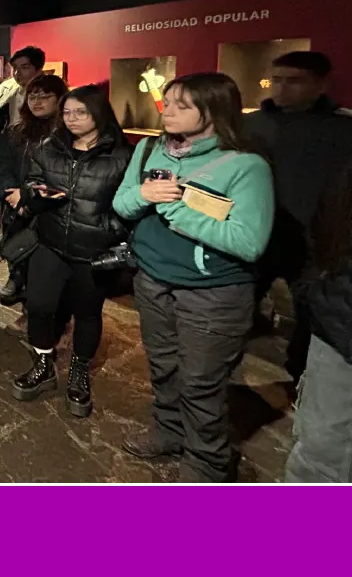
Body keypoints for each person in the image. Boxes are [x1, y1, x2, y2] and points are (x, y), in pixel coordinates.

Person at [114, 72, 274, 482]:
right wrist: (143, 195)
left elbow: (248, 242)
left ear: (215, 110)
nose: (168, 112)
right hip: (152, 280)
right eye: (168, 103)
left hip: (214, 292)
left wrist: (175, 209)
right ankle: (169, 431)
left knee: (201, 381)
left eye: (182, 106)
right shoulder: (149, 149)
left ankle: (206, 463)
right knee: (163, 366)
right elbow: (122, 203)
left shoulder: (245, 165)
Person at [11, 86, 131, 418]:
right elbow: (31, 182)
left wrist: (109, 229)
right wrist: (35, 193)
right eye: (67, 112)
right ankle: (43, 364)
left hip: (93, 250)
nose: (71, 119)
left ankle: (79, 371)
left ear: (98, 113)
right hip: (50, 242)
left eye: (80, 112)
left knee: (87, 313)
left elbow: (130, 204)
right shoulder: (52, 147)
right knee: (39, 306)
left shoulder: (122, 155)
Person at [244, 51, 352, 382]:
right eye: (277, 80)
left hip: (313, 242)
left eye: (294, 81)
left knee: (312, 317)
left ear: (321, 84)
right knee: (239, 307)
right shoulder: (250, 124)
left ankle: (300, 379)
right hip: (257, 234)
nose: (281, 88)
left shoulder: (342, 129)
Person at [285, 164, 352, 482]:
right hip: (340, 326)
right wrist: (315, 289)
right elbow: (324, 228)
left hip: (336, 315)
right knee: (320, 456)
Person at [0, 73, 69, 311]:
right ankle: (16, 278)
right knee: (16, 243)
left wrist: (27, 196)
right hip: (14, 202)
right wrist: (10, 192)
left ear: (60, 99)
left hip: (48, 206)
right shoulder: (15, 132)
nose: (37, 102)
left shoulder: (66, 134)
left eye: (45, 96)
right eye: (33, 96)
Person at [0, 46, 46, 130]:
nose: (17, 73)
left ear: (39, 70)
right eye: (15, 68)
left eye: (24, 67)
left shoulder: (50, 90)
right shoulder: (6, 87)